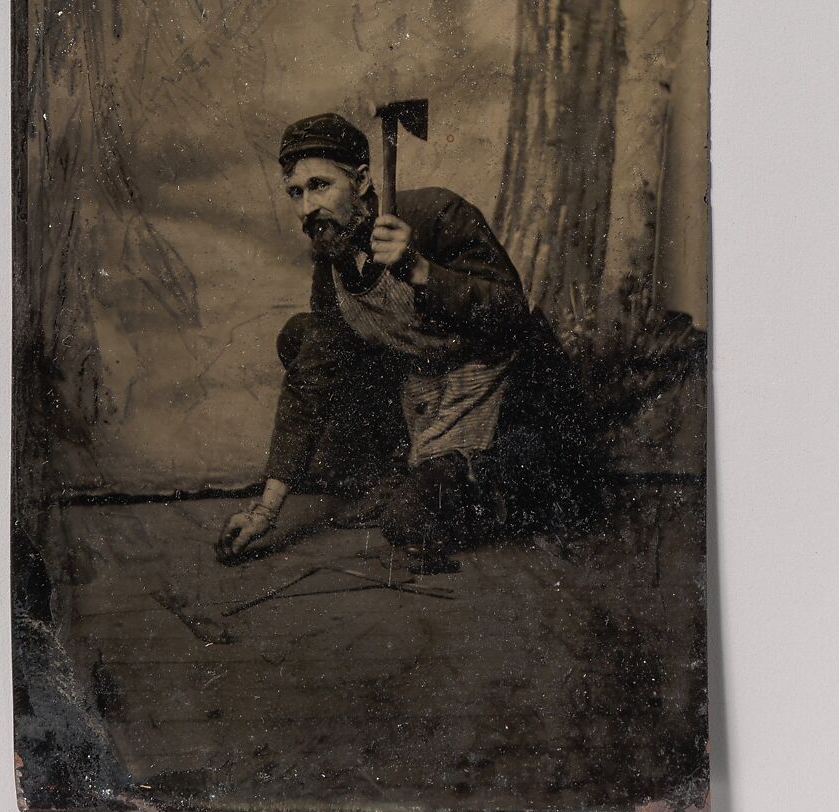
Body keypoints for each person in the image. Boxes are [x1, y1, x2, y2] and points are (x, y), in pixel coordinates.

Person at [216, 112, 596, 573]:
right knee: (304, 337)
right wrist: (265, 511)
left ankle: (505, 478)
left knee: (409, 522)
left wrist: (420, 270)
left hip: (505, 388)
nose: (306, 208)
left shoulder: (436, 212)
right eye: (295, 192)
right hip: (427, 388)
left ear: (361, 180)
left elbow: (511, 313)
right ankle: (401, 472)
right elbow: (312, 378)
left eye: (319, 186)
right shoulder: (333, 258)